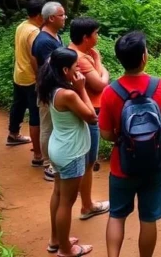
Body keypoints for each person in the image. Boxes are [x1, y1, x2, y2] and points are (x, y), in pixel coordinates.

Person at [98, 31, 161, 257]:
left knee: (116, 215)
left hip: (122, 166)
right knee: (148, 218)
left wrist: (124, 141)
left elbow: (105, 133)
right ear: (144, 57)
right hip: (154, 164)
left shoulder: (110, 92)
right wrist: (158, 143)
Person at [38, 47, 97, 257]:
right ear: (64, 69)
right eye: (75, 67)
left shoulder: (52, 88)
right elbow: (91, 117)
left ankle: (56, 239)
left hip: (58, 148)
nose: (77, 71)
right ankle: (66, 249)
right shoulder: (69, 94)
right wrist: (81, 88)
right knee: (67, 202)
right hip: (71, 153)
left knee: (58, 194)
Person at [68, 17, 110, 220]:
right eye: (96, 33)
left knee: (86, 160)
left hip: (85, 109)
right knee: (88, 160)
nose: (98, 37)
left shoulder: (78, 53)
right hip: (89, 111)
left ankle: (85, 201)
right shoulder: (82, 58)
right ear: (86, 37)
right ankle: (87, 205)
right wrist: (101, 65)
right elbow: (101, 84)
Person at [9, 0, 46, 164]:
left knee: (18, 105)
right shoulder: (34, 32)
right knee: (35, 114)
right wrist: (40, 77)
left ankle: (13, 134)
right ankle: (38, 155)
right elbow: (34, 56)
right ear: (39, 15)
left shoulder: (22, 26)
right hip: (31, 78)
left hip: (19, 75)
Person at [34, 1, 67, 181]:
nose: (65, 18)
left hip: (53, 88)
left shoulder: (54, 36)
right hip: (49, 89)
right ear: (52, 18)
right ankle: (48, 164)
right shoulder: (44, 41)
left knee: (53, 126)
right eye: (62, 15)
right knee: (47, 126)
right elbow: (48, 66)